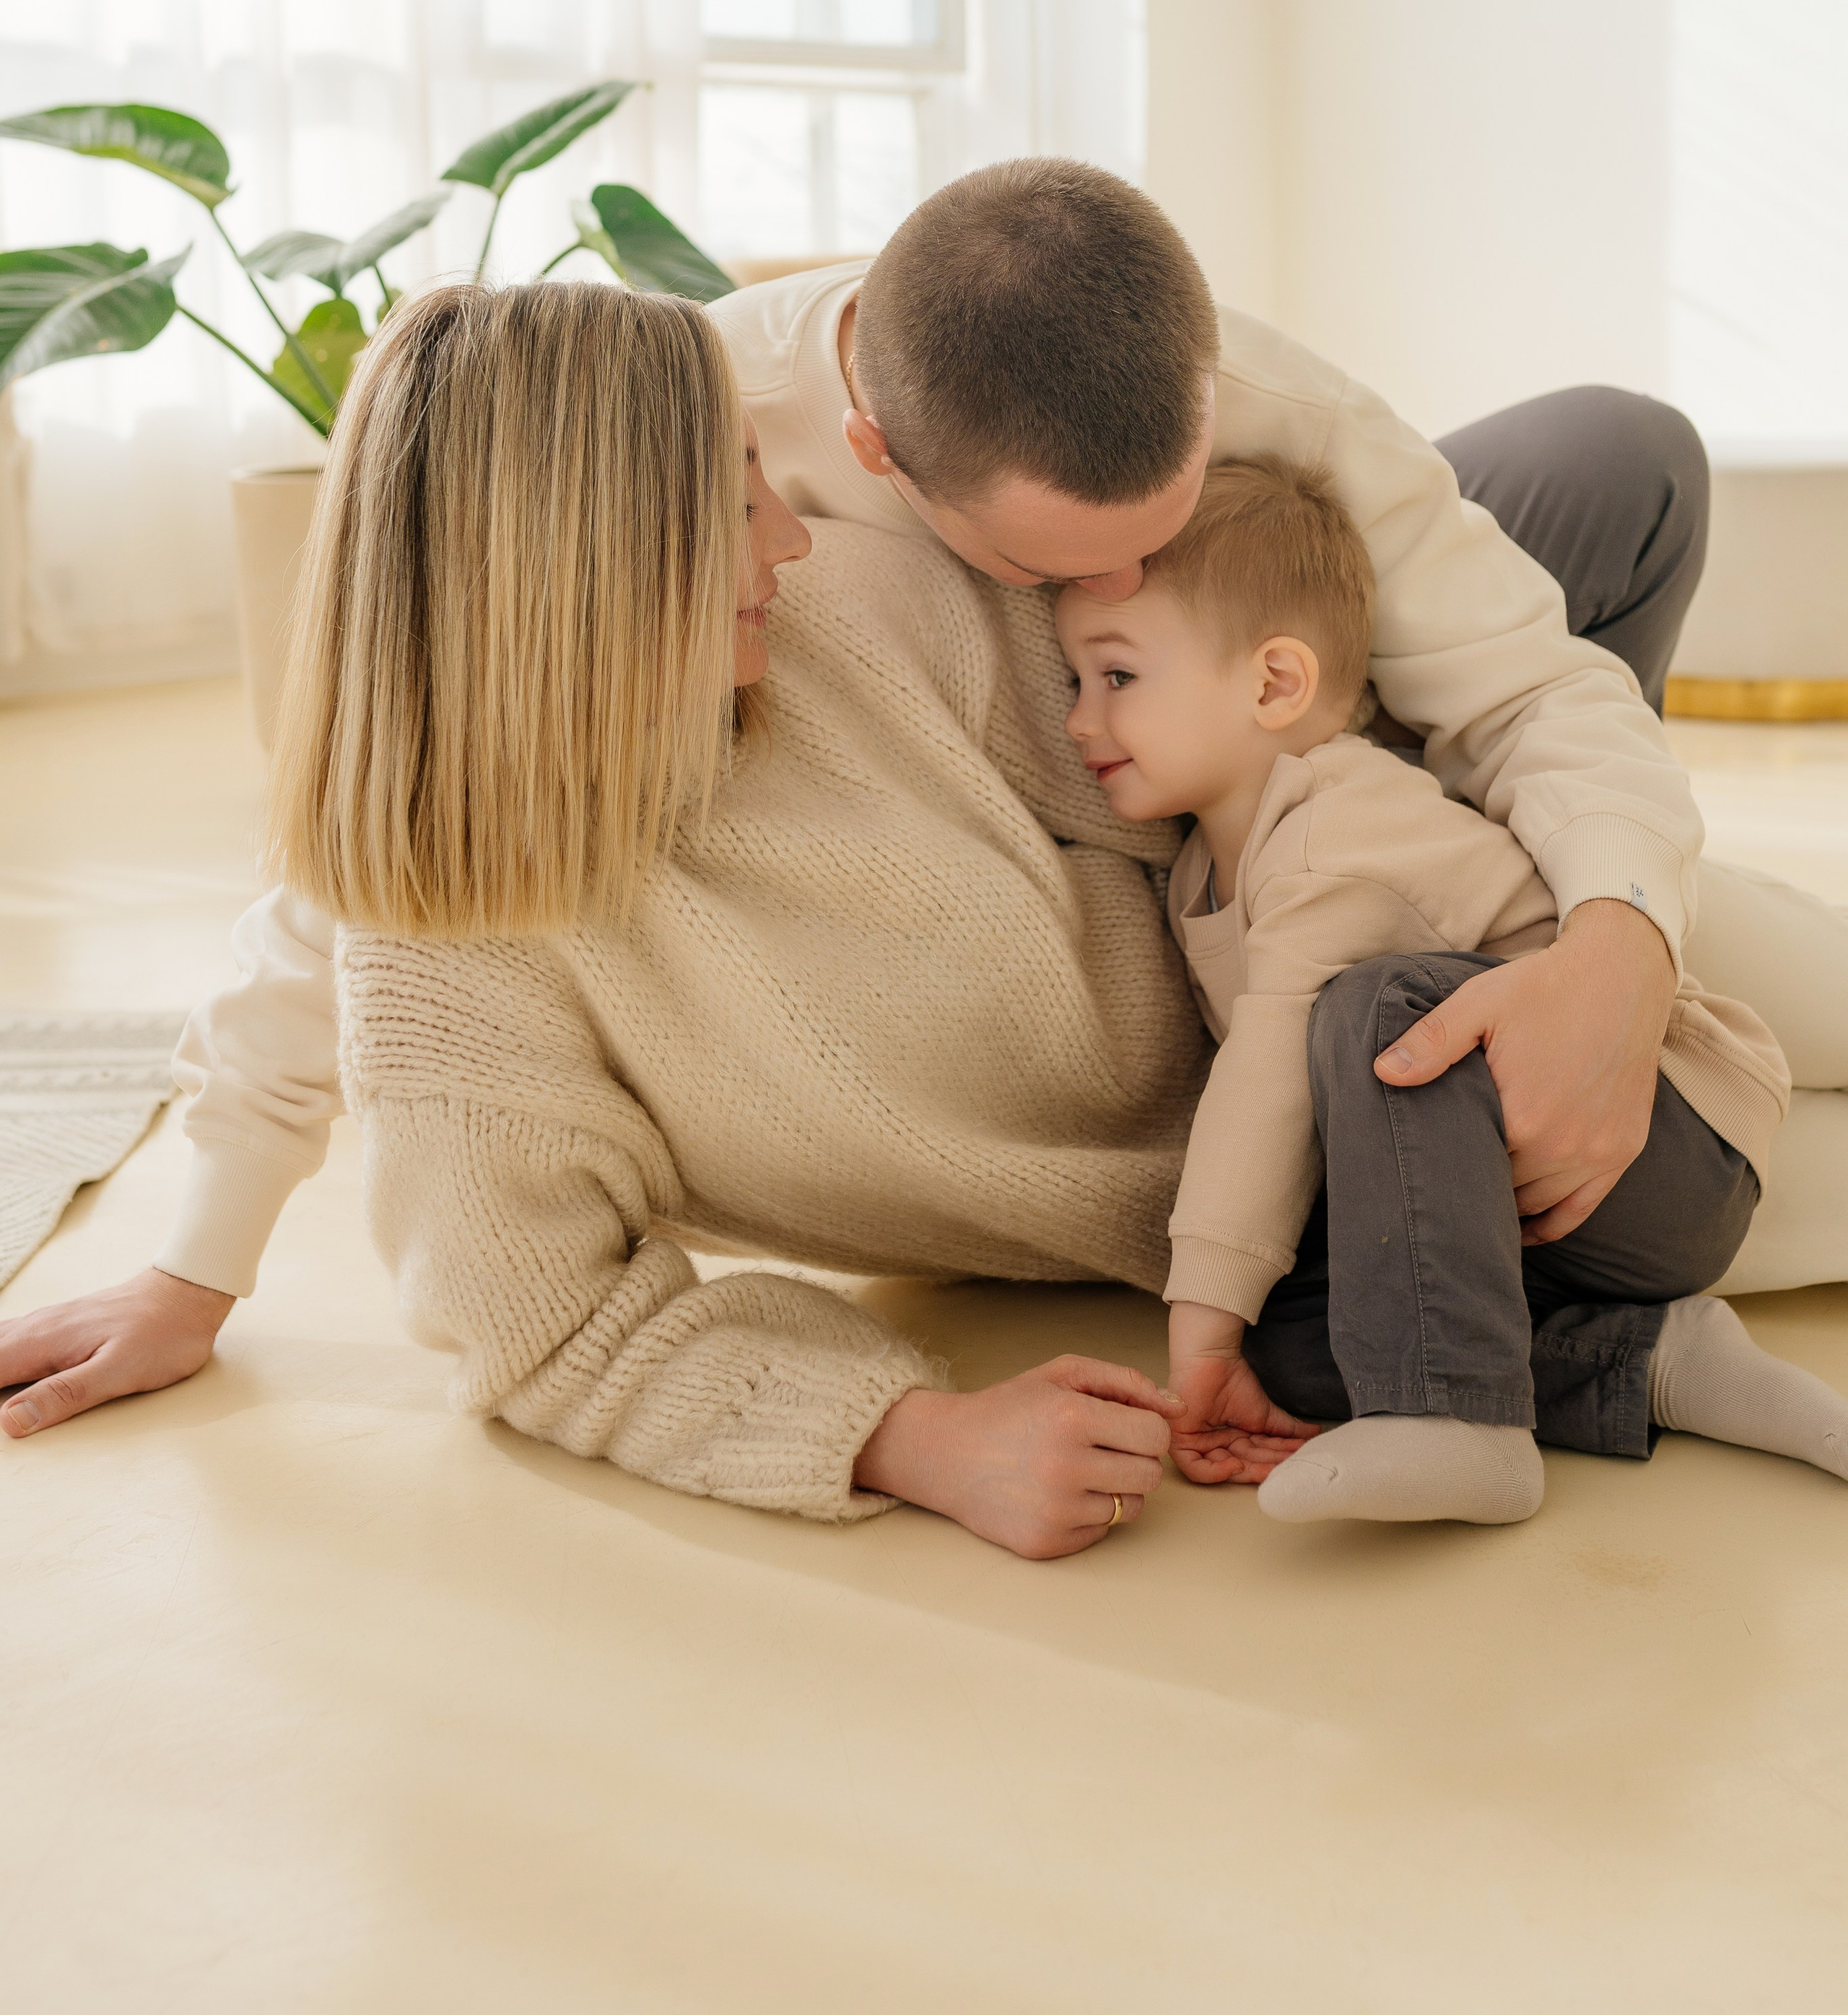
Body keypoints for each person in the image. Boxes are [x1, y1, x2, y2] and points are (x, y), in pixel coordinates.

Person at [4, 160, 1846, 1501]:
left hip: (1323, 828)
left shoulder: (1093, 463)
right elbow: (368, 911)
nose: (786, 538)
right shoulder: (693, 507)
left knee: (1615, 498)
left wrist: (1607, 945)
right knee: (1721, 1193)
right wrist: (199, 1259)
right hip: (1268, 1075)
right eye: (742, 506)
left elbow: (1503, 695)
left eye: (758, 487)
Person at [1058, 458, 1847, 1525]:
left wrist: (1196, 1338)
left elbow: (1266, 1089)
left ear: (1274, 684)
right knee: (1305, 1338)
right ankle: (1662, 1362)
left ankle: (1465, 1424)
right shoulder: (1207, 866)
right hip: (1534, 1205)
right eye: (1074, 681)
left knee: (1380, 1013)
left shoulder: (1336, 831)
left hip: (1661, 1136)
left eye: (1116, 677)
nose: (1079, 721)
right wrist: (1237, 1339)